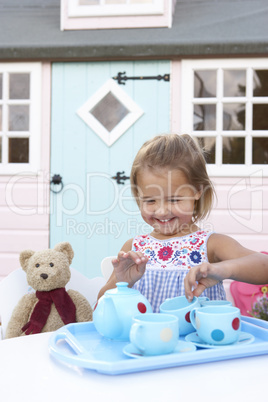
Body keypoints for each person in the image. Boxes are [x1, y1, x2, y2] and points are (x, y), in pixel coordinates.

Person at [98, 134, 268, 312]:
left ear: (197, 191)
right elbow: (101, 304)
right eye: (150, 201)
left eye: (173, 200)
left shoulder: (211, 244)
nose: (162, 211)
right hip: (144, 340)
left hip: (196, 340)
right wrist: (122, 281)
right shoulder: (134, 248)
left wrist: (224, 269)